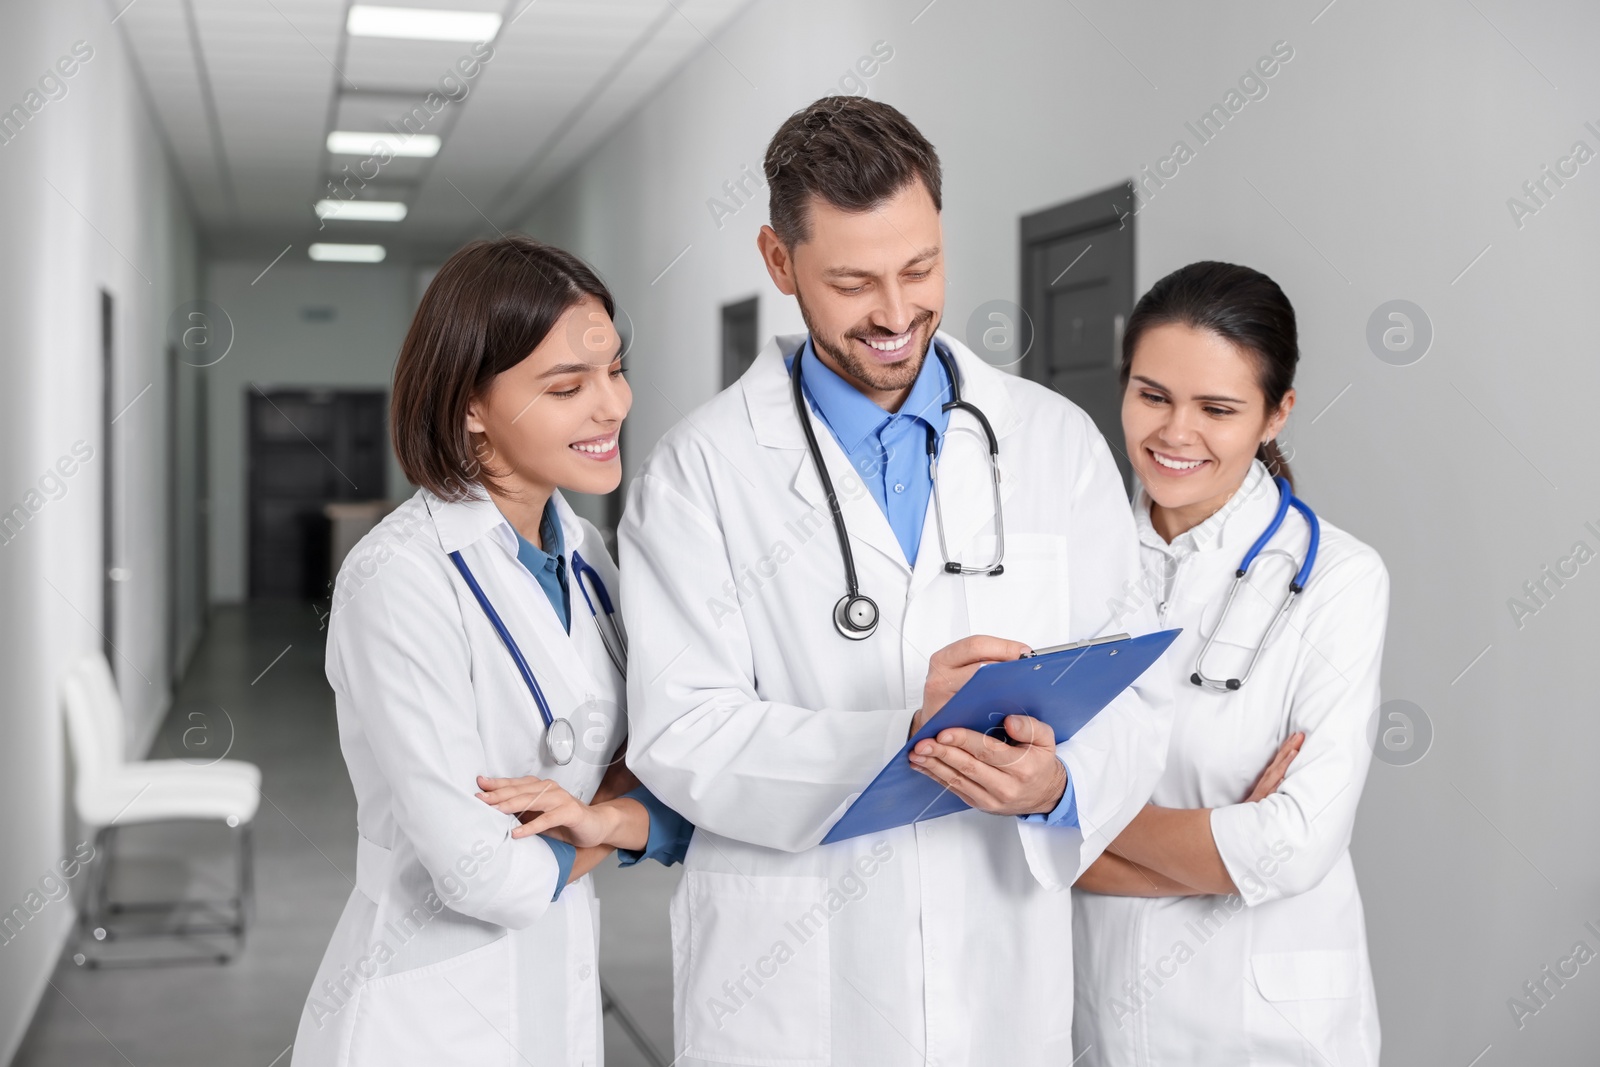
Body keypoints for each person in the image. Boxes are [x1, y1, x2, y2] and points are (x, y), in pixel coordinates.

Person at [619, 95, 1174, 1066]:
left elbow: (1135, 692)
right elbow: (679, 731)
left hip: (995, 971)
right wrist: (898, 736)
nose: (893, 311)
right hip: (787, 987)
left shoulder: (1051, 444)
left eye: (919, 268)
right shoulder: (699, 471)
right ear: (777, 261)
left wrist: (1058, 781)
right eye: (852, 280)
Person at [293, 235, 691, 1067]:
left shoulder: (585, 553)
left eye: (614, 370)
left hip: (558, 977)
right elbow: (477, 872)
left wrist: (604, 812)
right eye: (566, 385)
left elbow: (672, 760)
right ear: (470, 402)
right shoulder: (397, 579)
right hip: (424, 1011)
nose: (611, 406)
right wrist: (620, 821)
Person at [1071, 261, 1388, 1065]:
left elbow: (1294, 845)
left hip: (1265, 1031)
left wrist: (1067, 815)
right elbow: (988, 826)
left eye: (1217, 408)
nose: (1176, 434)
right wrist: (1217, 850)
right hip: (1095, 1011)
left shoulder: (1339, 580)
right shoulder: (1070, 556)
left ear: (1276, 413)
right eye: (1152, 395)